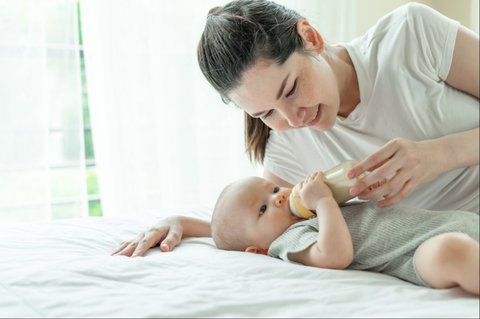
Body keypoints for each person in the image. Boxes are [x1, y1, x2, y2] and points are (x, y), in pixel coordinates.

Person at [113, 0, 479, 256]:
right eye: (266, 113)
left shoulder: (410, 36)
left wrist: (440, 154)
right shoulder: (287, 146)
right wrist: (182, 223)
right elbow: (260, 221)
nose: (292, 119)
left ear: (311, 38)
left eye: (290, 89)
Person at [214, 173, 479, 295]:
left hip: (453, 222)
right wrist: (324, 202)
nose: (280, 197)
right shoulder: (287, 241)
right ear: (258, 250)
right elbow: (335, 255)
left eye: (273, 190)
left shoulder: (312, 213)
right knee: (450, 252)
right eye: (263, 208)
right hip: (415, 254)